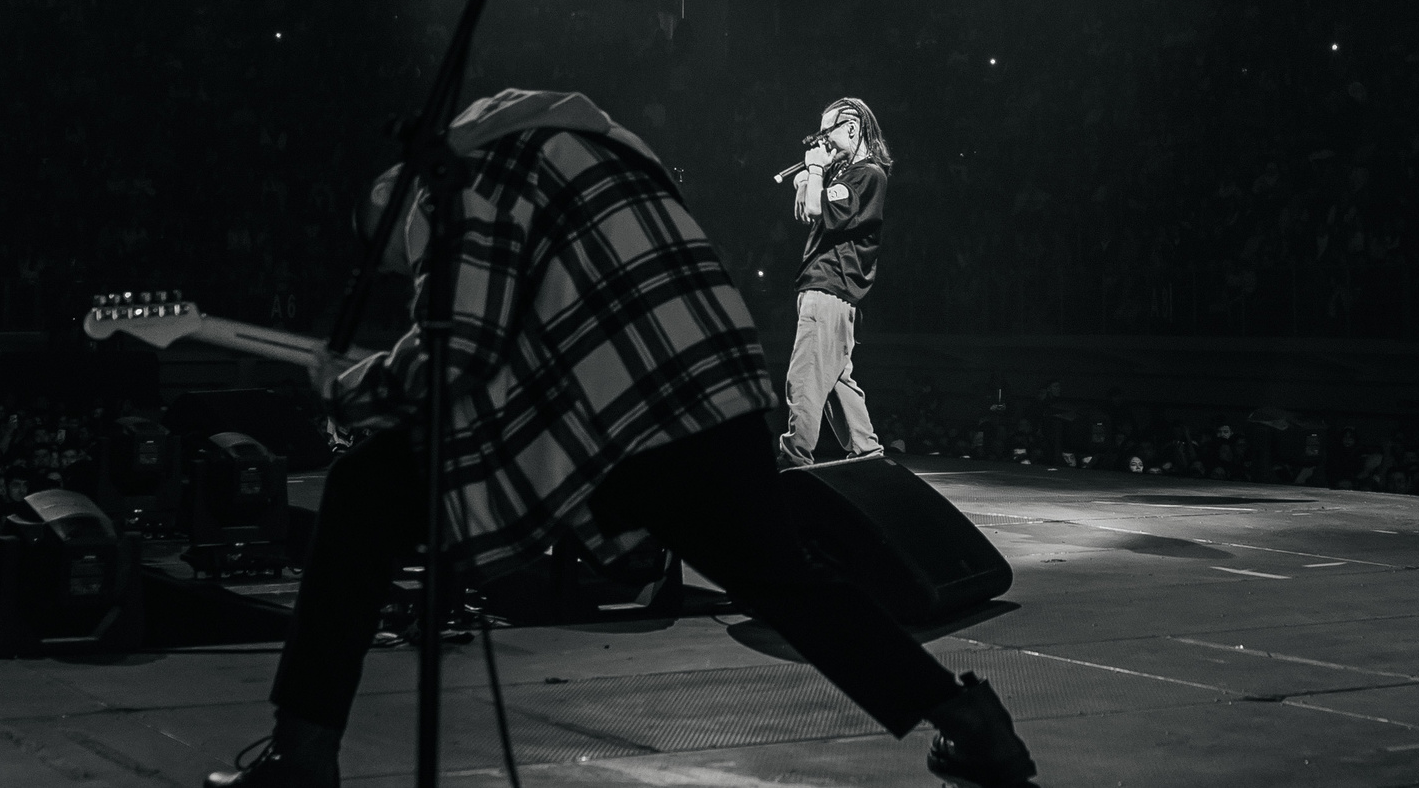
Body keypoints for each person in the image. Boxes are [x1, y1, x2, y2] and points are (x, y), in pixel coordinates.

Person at [206, 89, 1035, 788]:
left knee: (365, 488)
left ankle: (302, 757)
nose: (405, 264)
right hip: (716, 376)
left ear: (390, 204)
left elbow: (461, 345)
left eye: (393, 254)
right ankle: (971, 719)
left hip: (622, 412)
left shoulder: (450, 184)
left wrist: (354, 389)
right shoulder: (582, 141)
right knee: (790, 580)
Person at [780, 97, 890, 469]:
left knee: (806, 378)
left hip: (829, 289)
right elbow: (812, 204)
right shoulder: (848, 176)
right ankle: (868, 456)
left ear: (853, 129)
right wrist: (809, 177)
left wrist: (814, 170)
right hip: (830, 291)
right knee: (837, 384)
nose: (822, 142)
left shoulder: (867, 175)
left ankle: (794, 461)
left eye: (828, 133)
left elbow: (816, 208)